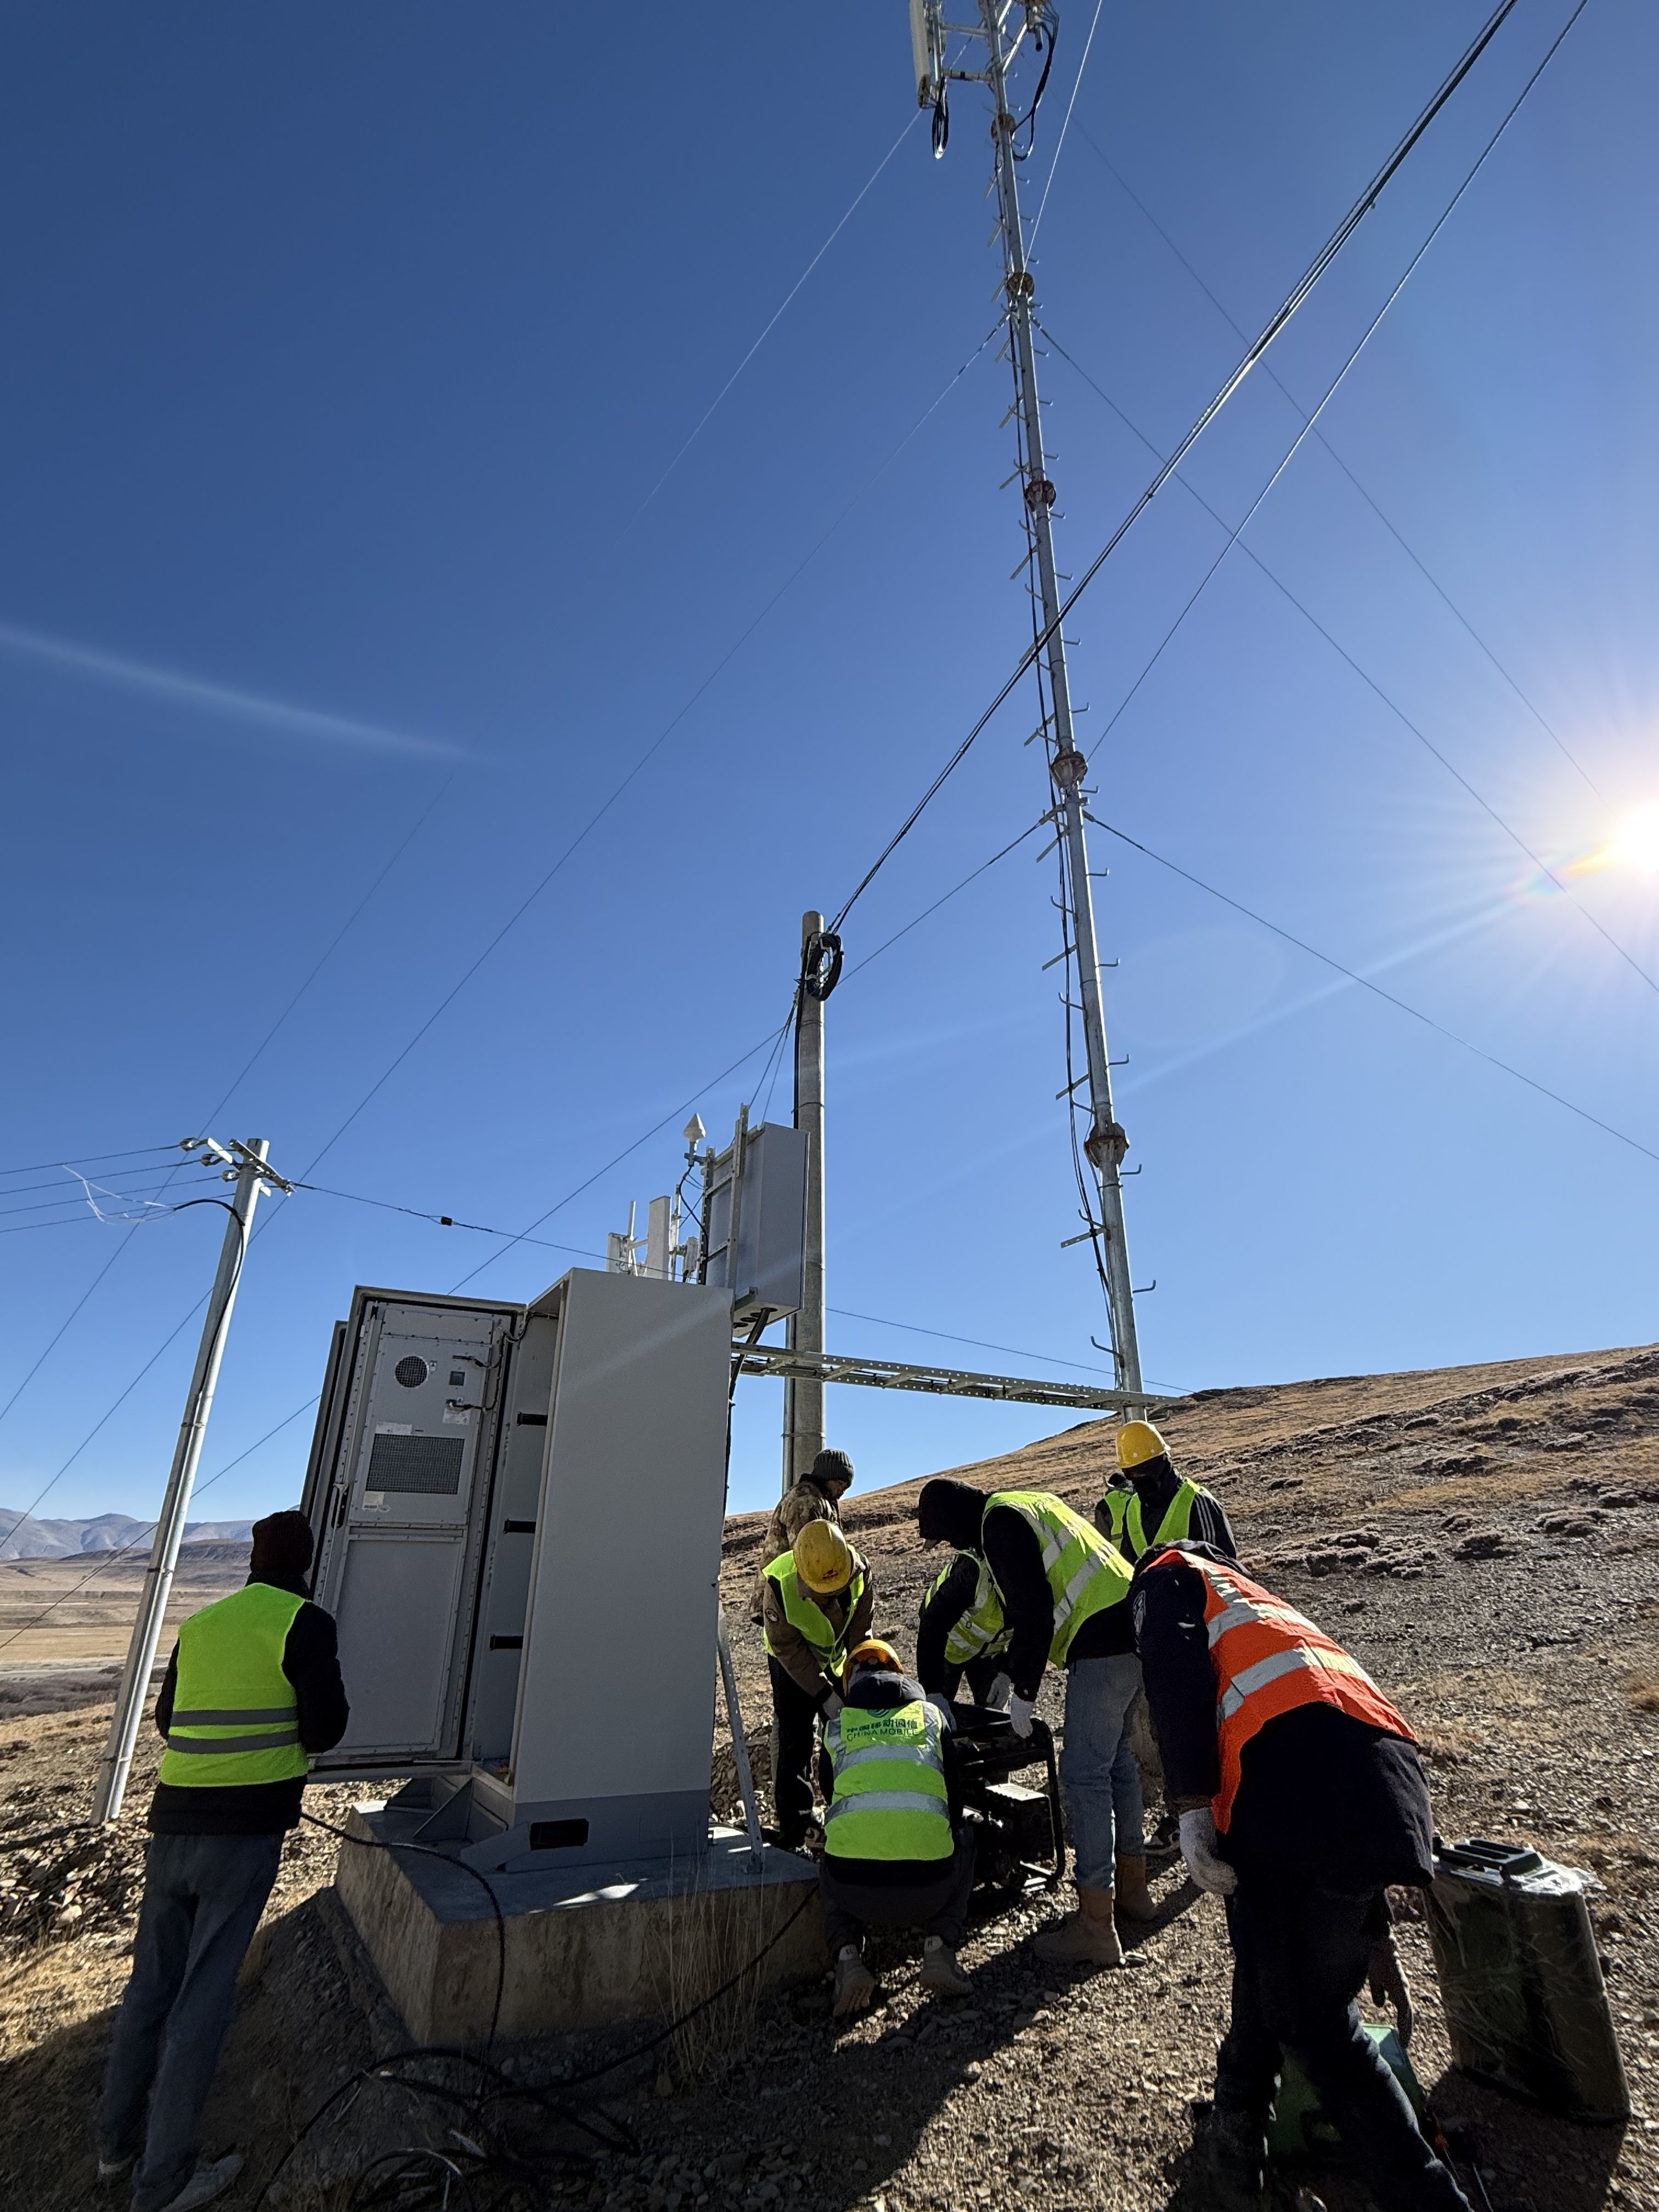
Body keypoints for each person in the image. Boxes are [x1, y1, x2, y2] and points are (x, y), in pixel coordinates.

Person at [1133, 1541, 1470, 2212]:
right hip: (1385, 1785)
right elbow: (1337, 1739)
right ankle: (1235, 2155)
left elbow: (1175, 1680)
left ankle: (1428, 2198)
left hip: (1290, 1788)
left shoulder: (1167, 1579)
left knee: (1313, 2022)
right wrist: (1373, 1934)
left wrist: (1192, 1807)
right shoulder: (1263, 1609)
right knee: (1267, 1971)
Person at [97, 1510, 349, 2212]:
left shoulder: (202, 1626)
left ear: (251, 1561)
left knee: (150, 1988)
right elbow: (326, 1727)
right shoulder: (306, 1623)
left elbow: (169, 1722)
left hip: (173, 1825)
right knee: (202, 2004)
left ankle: (115, 2145)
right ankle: (164, 2182)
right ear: (305, 1561)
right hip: (243, 1837)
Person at [916, 1477, 1149, 1965]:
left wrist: (1024, 1691)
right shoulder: (1025, 1503)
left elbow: (1034, 1609)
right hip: (1134, 1622)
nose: (953, 1548)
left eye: (947, 1537)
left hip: (1100, 1636)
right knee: (1117, 1763)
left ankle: (1095, 1927)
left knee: (1085, 1774)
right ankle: (1132, 1892)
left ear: (957, 1521)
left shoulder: (998, 1523)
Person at [819, 1639, 977, 2017]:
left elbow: (831, 1796)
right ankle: (939, 1947)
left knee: (830, 1845)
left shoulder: (838, 1728)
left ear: (850, 1683)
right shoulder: (930, 1719)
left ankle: (847, 1957)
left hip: (854, 1891)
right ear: (899, 1675)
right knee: (968, 1834)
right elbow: (954, 1801)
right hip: (931, 1889)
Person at [760, 1519, 873, 1850]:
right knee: (795, 1736)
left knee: (846, 1733)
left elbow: (860, 1631)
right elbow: (788, 1647)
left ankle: (847, 1809)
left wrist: (858, 1678)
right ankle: (798, 1823)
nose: (831, 1597)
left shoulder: (859, 1571)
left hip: (837, 1659)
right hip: (791, 1663)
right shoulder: (780, 1585)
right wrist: (823, 1692)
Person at [1094, 1418, 1238, 1564]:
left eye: (1146, 1469)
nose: (1140, 1477)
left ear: (1164, 1461)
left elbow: (1224, 1570)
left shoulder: (1199, 1503)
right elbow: (1129, 1566)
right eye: (1133, 1472)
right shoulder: (1132, 1507)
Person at [749, 1447, 856, 1622]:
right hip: (784, 1597)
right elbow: (810, 1558)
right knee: (790, 1648)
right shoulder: (806, 1502)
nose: (843, 1490)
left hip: (790, 1597)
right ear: (828, 1477)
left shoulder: (820, 1500)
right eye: (841, 1483)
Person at [915, 1551, 1012, 1710]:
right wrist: (933, 1691)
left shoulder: (1033, 1592)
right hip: (948, 1649)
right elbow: (933, 1625)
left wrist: (1008, 1673)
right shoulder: (973, 1573)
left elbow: (1029, 1636)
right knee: (937, 1712)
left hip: (990, 1654)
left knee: (993, 1715)